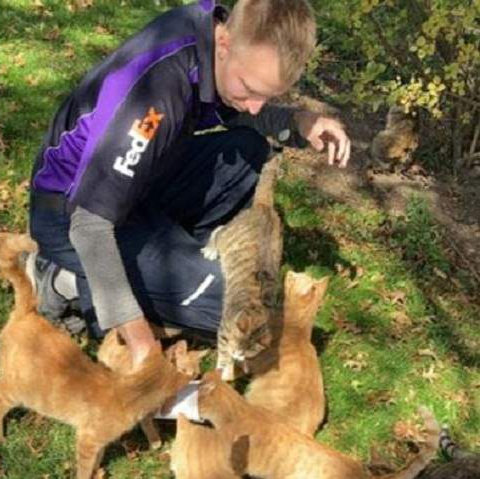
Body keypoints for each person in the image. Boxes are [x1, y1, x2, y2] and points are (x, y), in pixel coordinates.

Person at [27, 0, 350, 368]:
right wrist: (143, 345)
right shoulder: (155, 95)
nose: (256, 106)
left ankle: (163, 271)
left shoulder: (212, 34)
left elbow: (234, 111)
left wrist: (299, 121)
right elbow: (89, 228)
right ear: (225, 44)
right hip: (71, 215)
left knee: (248, 150)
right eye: (249, 88)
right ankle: (62, 279)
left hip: (140, 181)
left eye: (268, 96)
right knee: (227, 301)